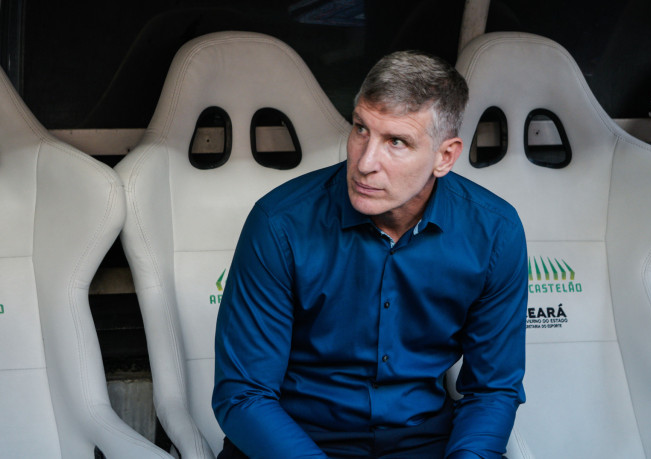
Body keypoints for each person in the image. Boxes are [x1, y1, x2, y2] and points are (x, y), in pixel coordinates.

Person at [213, 50, 527, 459]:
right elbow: (243, 395)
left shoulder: (495, 232)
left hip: (423, 445)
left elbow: (492, 389)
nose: (364, 162)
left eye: (396, 141)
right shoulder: (279, 224)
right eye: (361, 129)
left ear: (445, 156)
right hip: (293, 443)